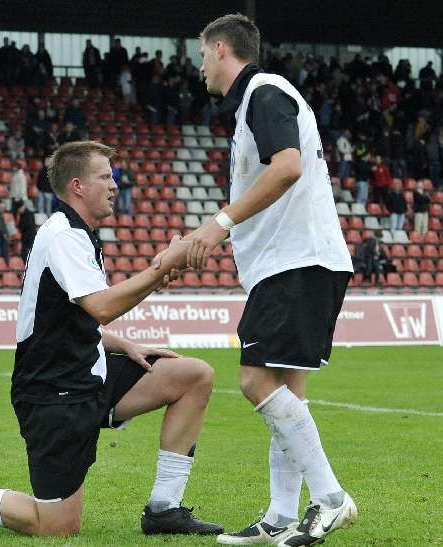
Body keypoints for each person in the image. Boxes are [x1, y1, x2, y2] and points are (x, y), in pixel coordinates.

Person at [0, 141, 221, 538]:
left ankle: (164, 509)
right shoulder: (63, 236)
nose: (115, 184)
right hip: (53, 392)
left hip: (86, 375)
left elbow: (73, 318)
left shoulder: (79, 234)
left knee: (193, 376)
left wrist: (123, 344)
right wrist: (163, 265)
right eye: (105, 176)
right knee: (57, 527)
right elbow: (100, 306)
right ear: (78, 186)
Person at [182, 15, 357, 546]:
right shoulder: (256, 103)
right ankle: (281, 516)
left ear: (219, 49)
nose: (201, 66)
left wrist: (220, 224)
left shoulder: (264, 90)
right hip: (297, 261)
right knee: (286, 392)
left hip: (296, 262)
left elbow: (288, 166)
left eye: (203, 55)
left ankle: (331, 500)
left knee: (255, 382)